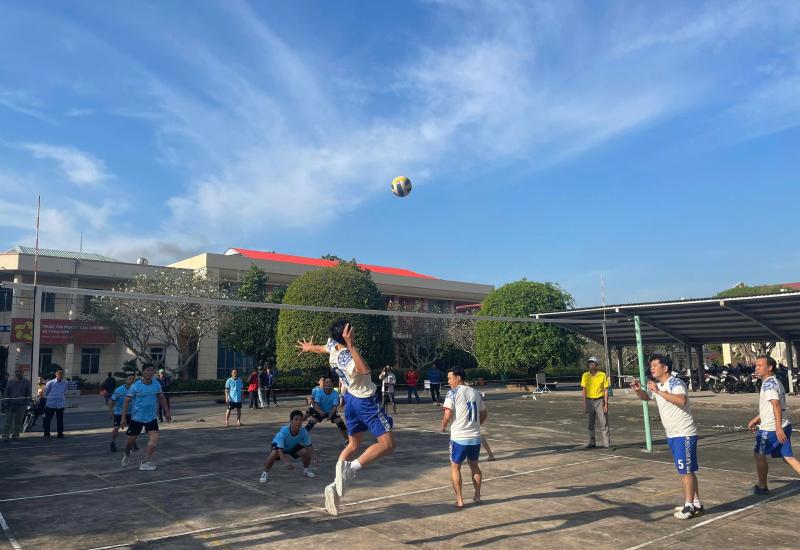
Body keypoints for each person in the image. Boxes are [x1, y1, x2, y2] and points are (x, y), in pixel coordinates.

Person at [296, 318, 395, 516]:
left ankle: (334, 486)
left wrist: (309, 347)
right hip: (365, 402)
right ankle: (351, 468)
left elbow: (323, 348)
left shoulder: (333, 346)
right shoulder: (347, 357)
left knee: (353, 444)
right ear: (346, 335)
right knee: (387, 444)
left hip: (350, 400)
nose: (354, 330)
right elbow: (364, 370)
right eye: (351, 329)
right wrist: (351, 345)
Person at [630, 355, 703, 519]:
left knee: (686, 471)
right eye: (651, 365)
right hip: (673, 434)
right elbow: (647, 397)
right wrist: (638, 390)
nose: (652, 368)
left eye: (655, 365)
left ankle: (689, 506)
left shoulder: (675, 383)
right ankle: (695, 503)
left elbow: (681, 400)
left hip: (683, 433)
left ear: (665, 368)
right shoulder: (660, 385)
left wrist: (658, 391)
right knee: (685, 470)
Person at [748, 355, 800, 494]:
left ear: (770, 367)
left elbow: (776, 405)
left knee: (759, 454)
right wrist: (757, 418)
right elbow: (772, 406)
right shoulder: (776, 381)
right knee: (787, 457)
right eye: (756, 365)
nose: (756, 368)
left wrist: (777, 428)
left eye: (760, 365)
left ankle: (762, 486)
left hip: (771, 428)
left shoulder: (768, 384)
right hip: (784, 424)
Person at [441, 368, 486, 508]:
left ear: (458, 378)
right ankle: (477, 495)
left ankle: (460, 500)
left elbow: (447, 414)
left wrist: (443, 426)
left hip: (459, 437)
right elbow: (484, 413)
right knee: (474, 465)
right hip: (474, 437)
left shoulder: (452, 393)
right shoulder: (476, 392)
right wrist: (476, 425)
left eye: (450, 378)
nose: (448, 381)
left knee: (455, 467)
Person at [120, 363, 171, 471]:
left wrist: (167, 412)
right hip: (137, 418)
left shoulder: (156, 384)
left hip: (151, 418)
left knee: (155, 438)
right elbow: (127, 401)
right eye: (147, 370)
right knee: (130, 441)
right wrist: (123, 418)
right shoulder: (136, 386)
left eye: (152, 370)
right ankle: (126, 454)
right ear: (143, 372)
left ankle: (145, 462)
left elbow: (161, 398)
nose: (150, 372)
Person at [259, 409, 315, 482]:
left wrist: (313, 455)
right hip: (279, 446)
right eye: (296, 419)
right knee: (274, 454)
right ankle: (265, 473)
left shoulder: (304, 432)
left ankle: (306, 470)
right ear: (291, 421)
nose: (298, 422)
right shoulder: (283, 432)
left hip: (292, 445)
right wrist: (286, 462)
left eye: (300, 419)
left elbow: (309, 445)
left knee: (305, 452)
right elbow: (280, 450)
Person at [581, 356, 612, 450]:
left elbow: (605, 390)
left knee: (604, 423)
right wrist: (584, 404)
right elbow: (584, 390)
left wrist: (606, 404)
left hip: (600, 400)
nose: (591, 364)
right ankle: (592, 442)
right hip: (589, 400)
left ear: (597, 365)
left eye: (593, 363)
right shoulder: (585, 375)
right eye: (590, 363)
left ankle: (607, 444)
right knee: (590, 423)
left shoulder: (602, 375)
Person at [305, 377, 348, 442]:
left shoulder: (335, 393)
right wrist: (320, 412)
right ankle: (300, 439)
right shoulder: (319, 392)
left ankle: (347, 440)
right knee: (310, 424)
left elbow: (334, 407)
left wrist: (330, 415)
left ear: (332, 384)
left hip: (331, 411)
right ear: (324, 384)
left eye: (330, 382)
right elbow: (316, 406)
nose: (328, 383)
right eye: (326, 382)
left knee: (341, 424)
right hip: (320, 410)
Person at [108, 373, 136, 452]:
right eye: (130, 379)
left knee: (134, 428)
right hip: (119, 412)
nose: (132, 380)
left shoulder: (136, 389)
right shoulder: (119, 390)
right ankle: (112, 442)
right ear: (126, 380)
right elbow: (111, 400)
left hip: (131, 412)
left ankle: (133, 442)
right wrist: (110, 411)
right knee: (116, 428)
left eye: (133, 379)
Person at [2, 368, 31, 441]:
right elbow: (6, 393)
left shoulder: (27, 382)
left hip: (21, 405)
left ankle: (15, 435)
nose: (19, 373)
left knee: (18, 421)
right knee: (8, 421)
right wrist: (5, 402)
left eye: (20, 372)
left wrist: (26, 404)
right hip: (10, 404)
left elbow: (28, 394)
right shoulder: (10, 382)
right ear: (15, 373)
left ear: (23, 373)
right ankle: (5, 435)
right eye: (17, 372)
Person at [43, 365, 68, 438]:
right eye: (59, 374)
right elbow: (46, 393)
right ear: (56, 374)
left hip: (60, 404)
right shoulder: (50, 383)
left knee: (60, 420)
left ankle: (60, 433)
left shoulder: (65, 382)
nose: (61, 375)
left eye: (62, 374)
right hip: (51, 404)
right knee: (48, 419)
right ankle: (46, 434)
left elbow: (64, 391)